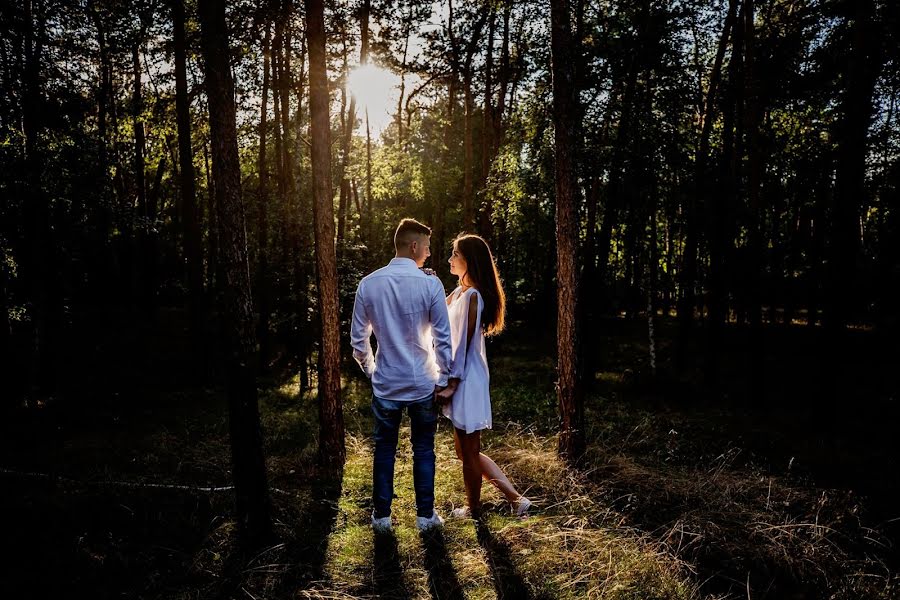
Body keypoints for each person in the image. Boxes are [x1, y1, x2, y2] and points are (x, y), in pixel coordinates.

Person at [350, 218, 454, 533]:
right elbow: (443, 337)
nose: (429, 252)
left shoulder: (369, 283)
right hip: (423, 382)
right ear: (413, 246)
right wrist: (443, 377)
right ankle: (425, 518)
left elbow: (358, 341)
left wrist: (372, 371)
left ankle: (381, 519)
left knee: (384, 449)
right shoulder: (430, 284)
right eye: (426, 246)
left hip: (386, 385)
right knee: (423, 448)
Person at [437, 234, 532, 519]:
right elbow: (434, 317)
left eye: (455, 254)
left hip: (467, 379)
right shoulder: (457, 294)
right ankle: (515, 500)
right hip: (458, 376)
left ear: (470, 260)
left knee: (469, 450)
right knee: (464, 451)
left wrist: (453, 383)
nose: (451, 259)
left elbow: (464, 344)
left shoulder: (474, 296)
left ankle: (477, 508)